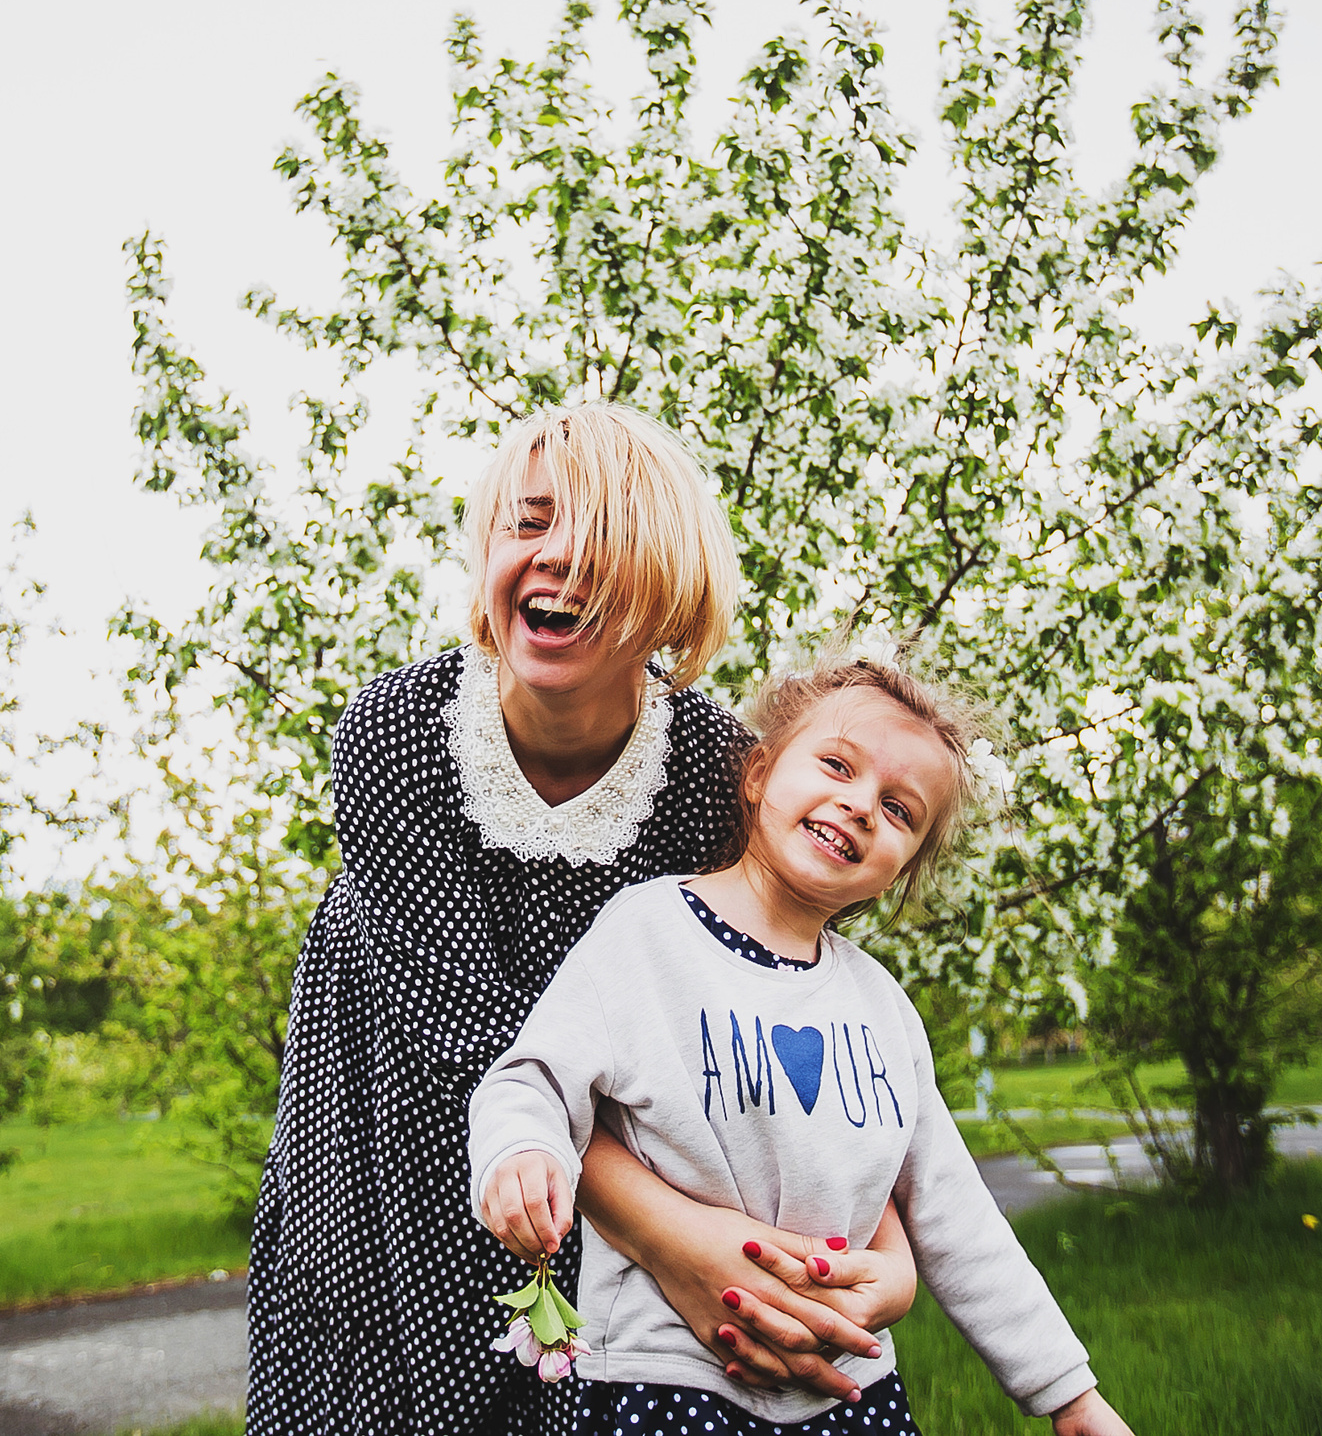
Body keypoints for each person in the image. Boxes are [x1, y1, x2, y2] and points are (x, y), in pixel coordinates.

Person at [246, 406, 918, 1436]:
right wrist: (673, 1240)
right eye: (526, 524)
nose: (556, 556)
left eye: (600, 537)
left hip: (609, 1123)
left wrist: (890, 1250)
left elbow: (768, 995)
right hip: (393, 1106)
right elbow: (470, 1040)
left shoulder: (709, 772)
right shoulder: (395, 733)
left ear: (666, 590)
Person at [467, 653, 1136, 1436]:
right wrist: (522, 1153)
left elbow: (957, 1217)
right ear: (758, 775)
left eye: (899, 811)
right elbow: (532, 1079)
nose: (858, 806)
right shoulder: (646, 935)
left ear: (899, 872)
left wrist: (1070, 1397)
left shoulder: (880, 1008)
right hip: (666, 1380)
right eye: (836, 765)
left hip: (847, 1389)